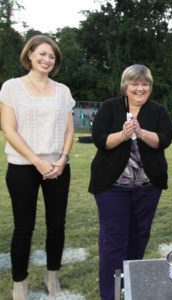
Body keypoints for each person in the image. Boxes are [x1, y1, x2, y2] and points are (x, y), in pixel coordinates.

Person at [89, 64, 172, 300]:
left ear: (150, 87)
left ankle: (129, 287)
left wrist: (141, 132)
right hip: (112, 189)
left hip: (147, 189)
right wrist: (124, 134)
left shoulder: (157, 111)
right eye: (135, 83)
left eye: (145, 84)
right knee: (113, 242)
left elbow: (165, 140)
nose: (140, 88)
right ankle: (110, 294)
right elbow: (100, 140)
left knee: (138, 239)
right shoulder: (110, 107)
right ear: (125, 86)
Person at [0, 35, 75, 299]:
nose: (47, 60)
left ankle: (51, 277)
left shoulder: (63, 91)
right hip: (23, 166)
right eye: (42, 54)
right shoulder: (11, 87)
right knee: (24, 227)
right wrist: (36, 160)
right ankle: (19, 284)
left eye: (52, 56)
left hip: (57, 166)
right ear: (30, 54)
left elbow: (69, 130)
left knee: (57, 225)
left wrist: (63, 159)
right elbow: (8, 130)